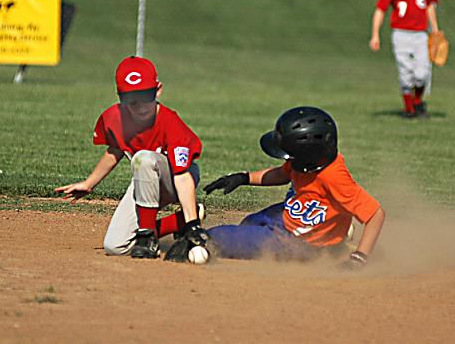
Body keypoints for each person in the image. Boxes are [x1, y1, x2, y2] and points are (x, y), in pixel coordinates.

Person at [55, 56, 208, 260]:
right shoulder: (114, 119)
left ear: (158, 90)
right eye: (131, 99)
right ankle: (173, 223)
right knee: (115, 246)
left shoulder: (171, 123)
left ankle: (148, 236)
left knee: (143, 158)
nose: (141, 105)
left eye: (146, 95)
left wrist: (192, 225)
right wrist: (89, 183)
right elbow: (115, 150)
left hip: (176, 177)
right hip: (144, 181)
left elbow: (182, 176)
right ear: (120, 97)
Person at [204, 106, 385, 269]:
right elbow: (283, 174)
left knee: (216, 238)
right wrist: (243, 178)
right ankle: (335, 239)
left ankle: (331, 244)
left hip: (299, 243)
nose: (286, 159)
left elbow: (375, 214)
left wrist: (359, 259)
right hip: (289, 216)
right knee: (250, 222)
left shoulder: (334, 177)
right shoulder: (309, 159)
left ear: (306, 157)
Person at [369, 0, 440, 119]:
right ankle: (409, 109)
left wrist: (435, 29)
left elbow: (430, 7)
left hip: (420, 34)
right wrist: (375, 34)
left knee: (422, 74)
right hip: (400, 34)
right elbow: (380, 10)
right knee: (406, 73)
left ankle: (417, 102)